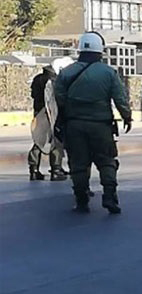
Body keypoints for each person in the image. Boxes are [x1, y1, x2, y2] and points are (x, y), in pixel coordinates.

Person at [55, 32, 132, 214]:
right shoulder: (108, 73)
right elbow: (120, 98)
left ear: (80, 50)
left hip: (74, 126)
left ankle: (81, 201)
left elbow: (57, 100)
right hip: (101, 126)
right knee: (107, 162)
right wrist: (127, 117)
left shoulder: (66, 73)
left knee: (78, 164)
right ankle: (109, 196)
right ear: (100, 51)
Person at [28, 64, 67, 181]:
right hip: (52, 114)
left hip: (38, 113)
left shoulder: (37, 79)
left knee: (39, 140)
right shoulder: (54, 81)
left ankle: (34, 169)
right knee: (55, 141)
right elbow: (58, 99)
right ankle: (56, 169)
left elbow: (33, 95)